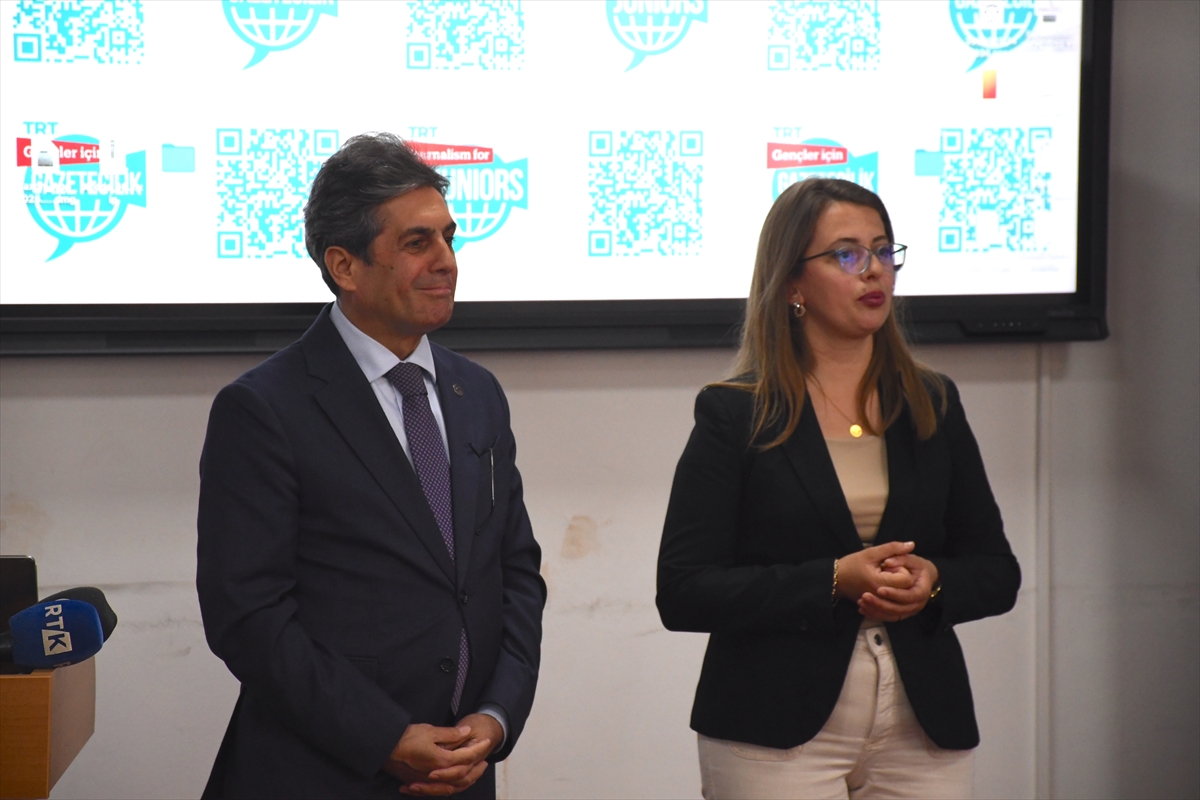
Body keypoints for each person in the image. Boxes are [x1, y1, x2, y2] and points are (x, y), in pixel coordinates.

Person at [197, 133, 545, 799]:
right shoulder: (264, 408)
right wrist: (384, 737)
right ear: (344, 266)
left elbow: (516, 573)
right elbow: (247, 615)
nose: (446, 260)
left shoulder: (478, 394)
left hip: (462, 772)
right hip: (323, 773)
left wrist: (496, 717)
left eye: (448, 237)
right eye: (417, 243)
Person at [656, 178, 1020, 799]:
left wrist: (934, 581)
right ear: (792, 285)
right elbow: (684, 591)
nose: (873, 271)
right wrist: (831, 580)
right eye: (846, 255)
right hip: (774, 724)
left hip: (922, 721)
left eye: (883, 251)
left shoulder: (932, 402)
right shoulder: (735, 413)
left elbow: (996, 571)